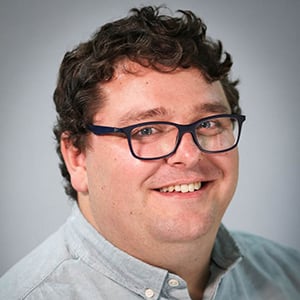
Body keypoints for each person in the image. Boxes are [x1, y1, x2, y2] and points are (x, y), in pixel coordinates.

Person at [0, 5, 299, 300]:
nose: (190, 155)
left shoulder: (289, 275)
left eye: (208, 123)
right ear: (77, 158)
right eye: (146, 130)